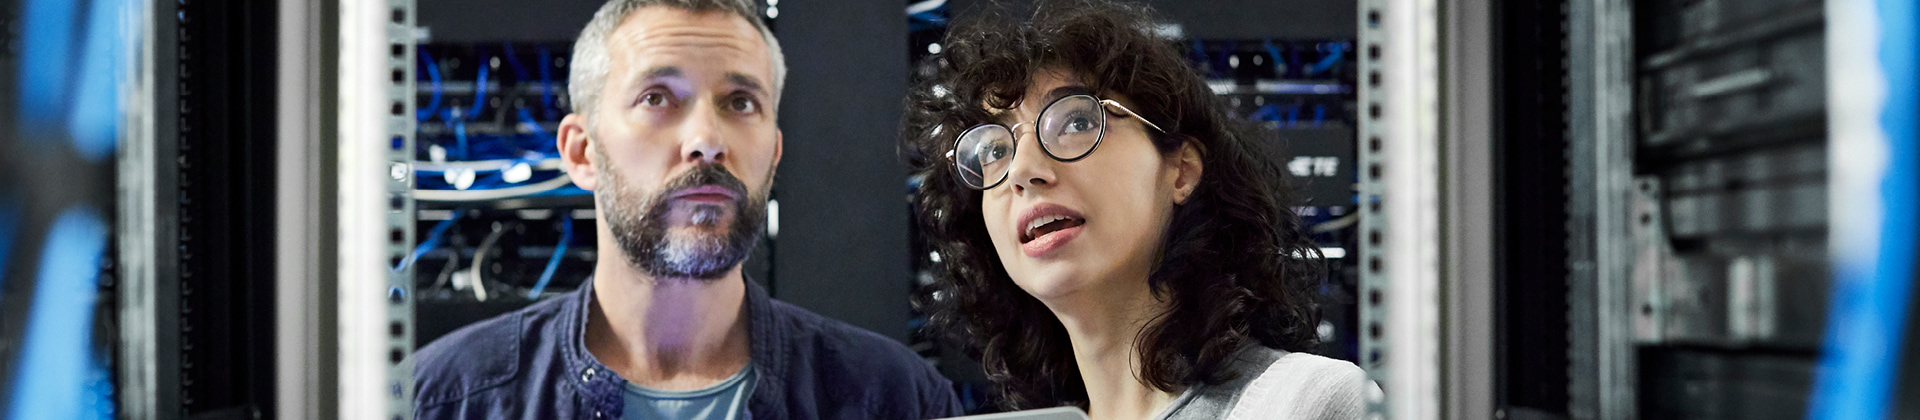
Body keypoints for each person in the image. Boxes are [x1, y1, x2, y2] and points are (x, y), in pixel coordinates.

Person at [413, 0, 961, 418]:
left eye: (740, 102)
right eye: (657, 98)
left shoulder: (894, 397)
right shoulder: (444, 399)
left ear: (772, 154)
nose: (706, 139)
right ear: (581, 152)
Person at [902, 1, 1368, 419]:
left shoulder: (1304, 402)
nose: (1022, 169)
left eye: (1078, 121)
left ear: (1181, 171)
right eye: (991, 150)